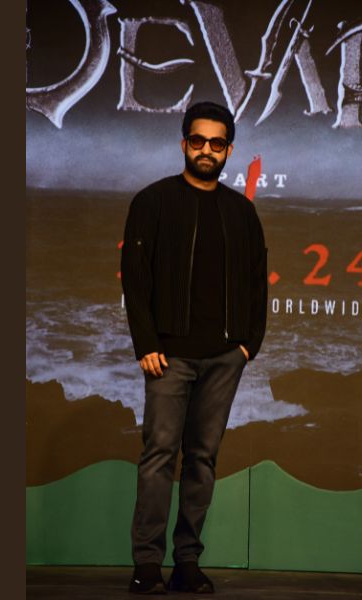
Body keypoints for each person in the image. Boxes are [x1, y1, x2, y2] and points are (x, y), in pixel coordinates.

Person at [120, 101, 268, 594]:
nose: (207, 150)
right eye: (198, 140)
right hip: (168, 356)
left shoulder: (242, 213)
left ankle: (187, 563)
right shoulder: (152, 202)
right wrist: (146, 342)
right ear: (184, 143)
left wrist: (247, 346)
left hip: (224, 358)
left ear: (229, 150)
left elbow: (257, 284)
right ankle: (146, 565)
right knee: (159, 456)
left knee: (202, 460)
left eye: (217, 143)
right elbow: (135, 281)